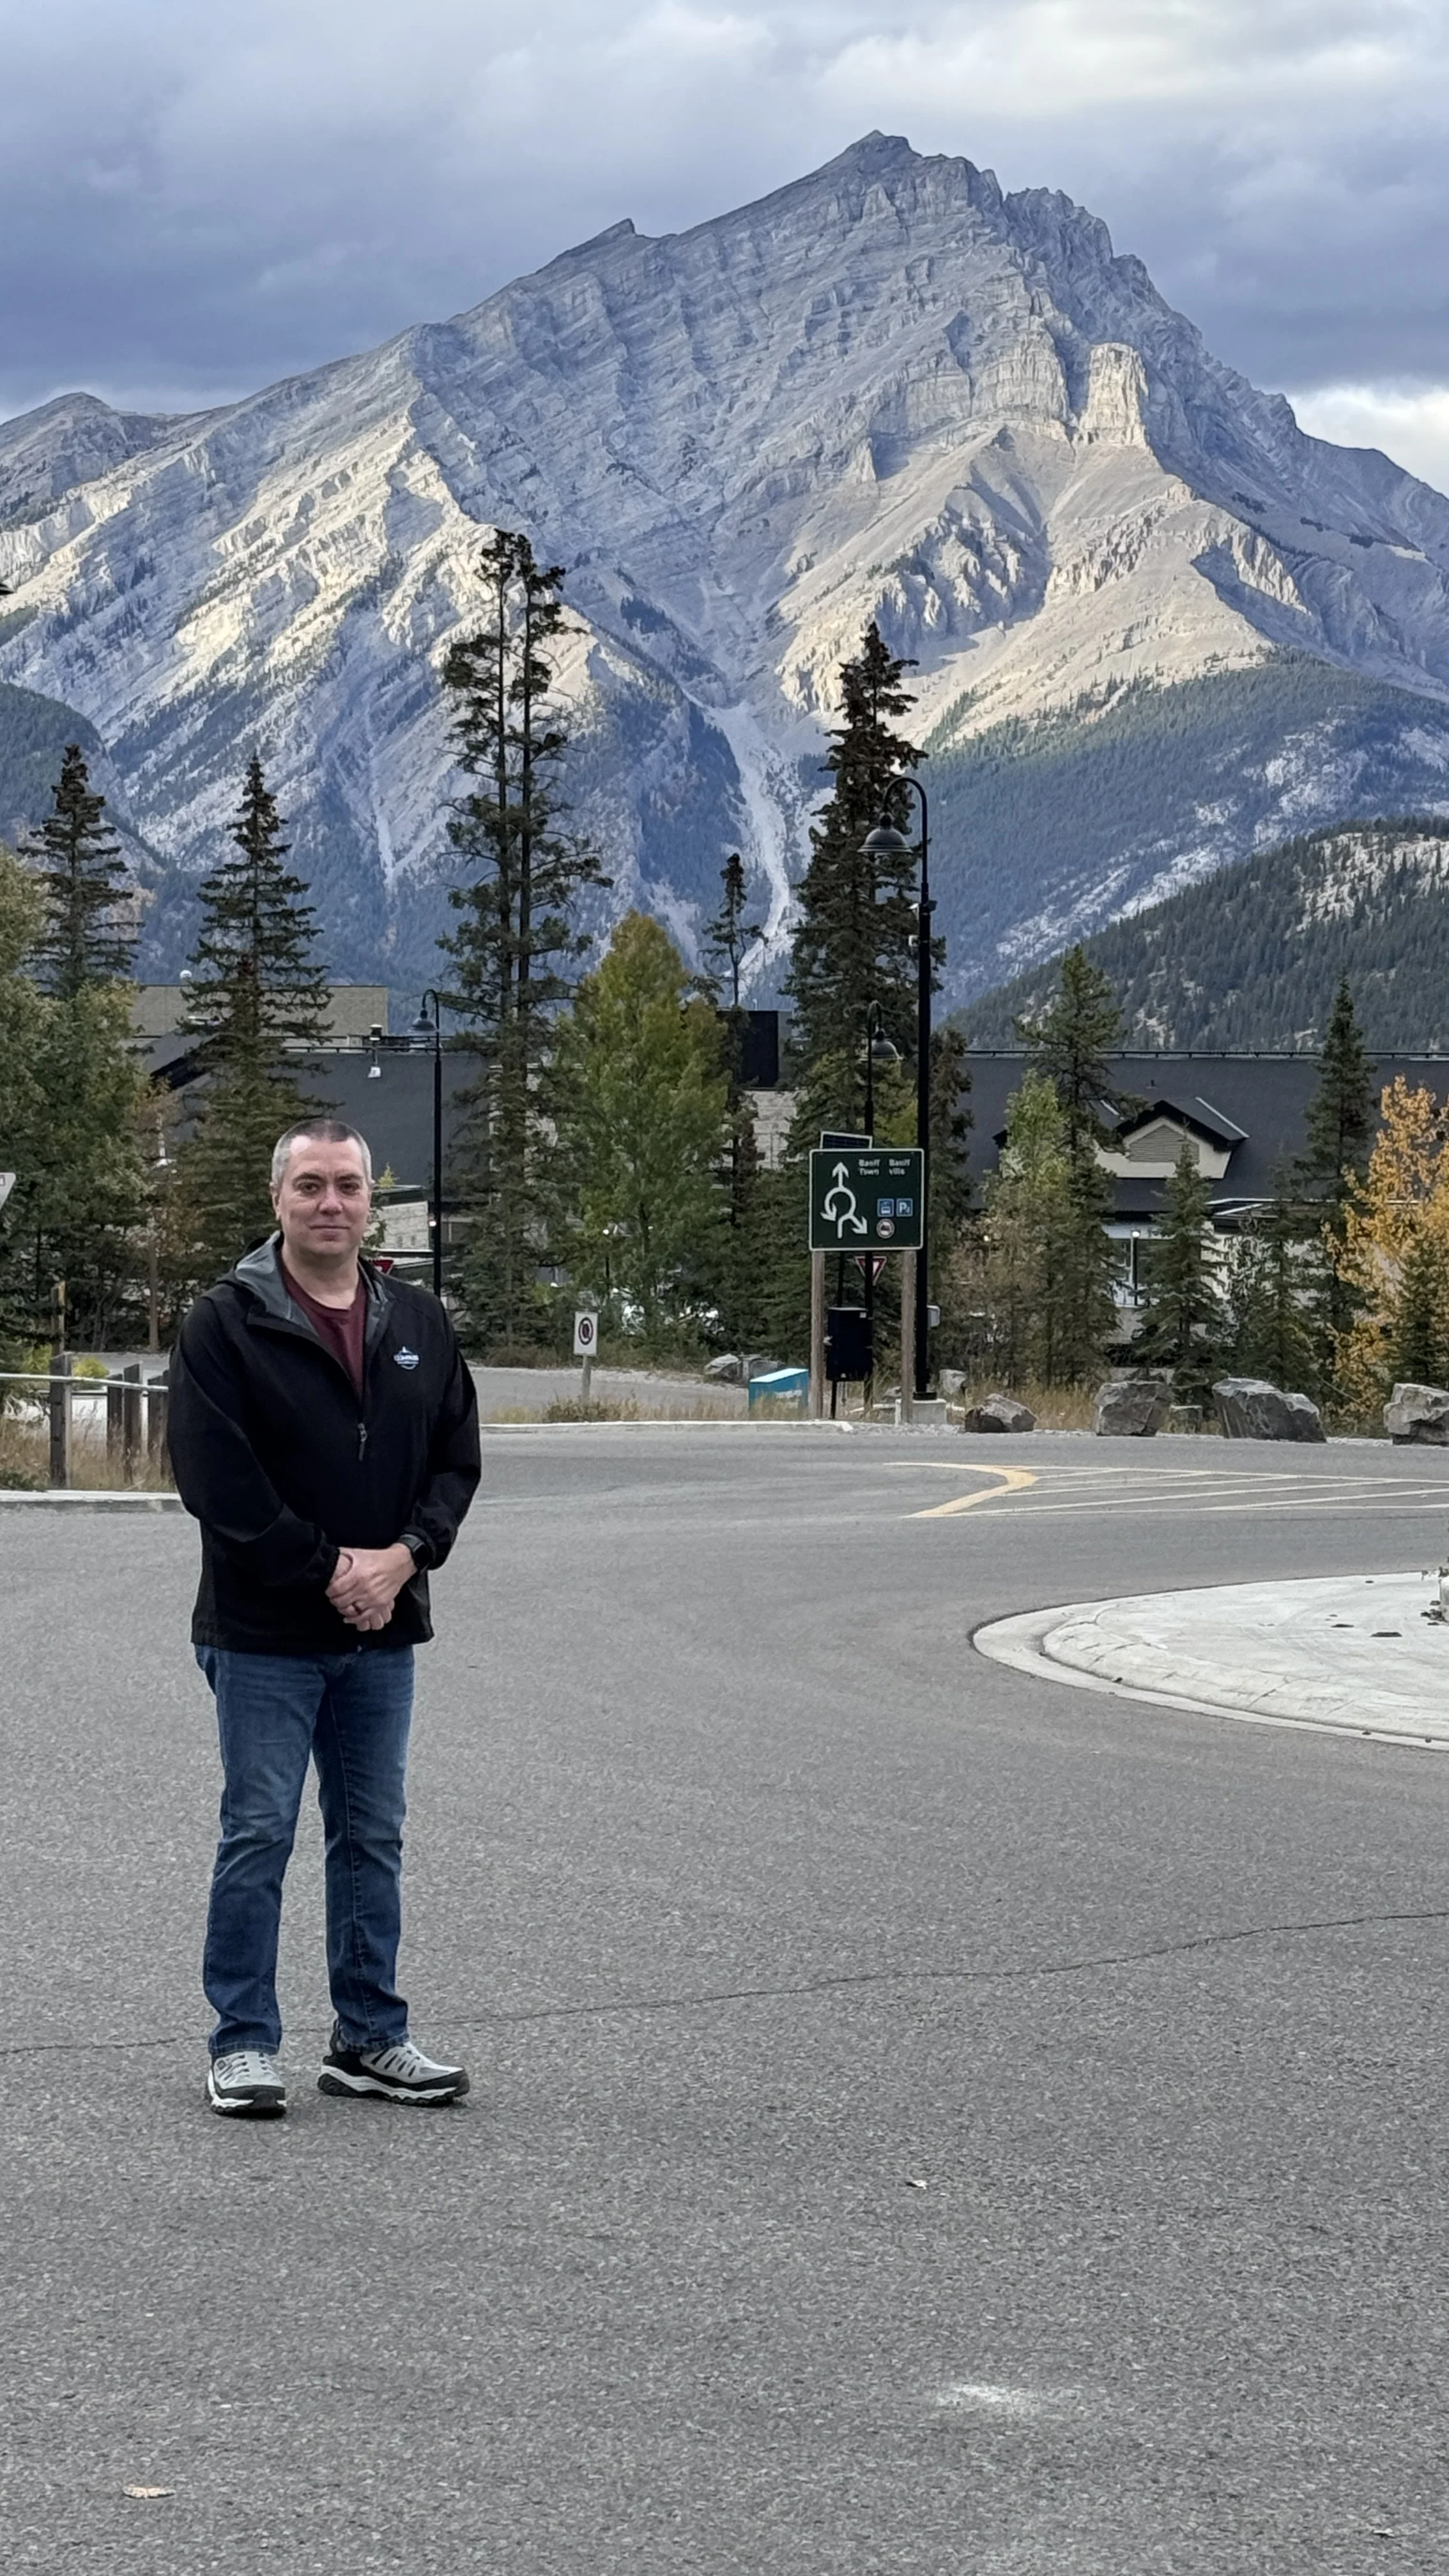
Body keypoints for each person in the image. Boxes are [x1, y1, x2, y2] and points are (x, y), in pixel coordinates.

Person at [168, 1117, 481, 2118]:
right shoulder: (225, 1320)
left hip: (383, 1628)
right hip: (262, 1635)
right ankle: (244, 2041)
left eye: (347, 1185)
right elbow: (218, 1480)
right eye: (311, 1185)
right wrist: (325, 1570)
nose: (331, 1203)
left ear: (368, 1200)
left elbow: (455, 1461)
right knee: (259, 1832)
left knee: (372, 1836)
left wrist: (402, 1558)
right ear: (279, 1201)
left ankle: (369, 2037)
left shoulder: (418, 1321)